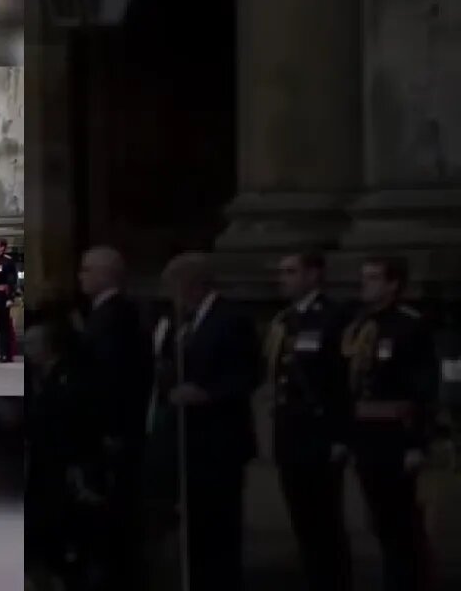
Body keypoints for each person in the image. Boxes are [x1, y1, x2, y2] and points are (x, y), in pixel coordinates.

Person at [158, 252, 260, 591]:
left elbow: (249, 373)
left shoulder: (230, 319)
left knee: (221, 523)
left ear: (192, 284)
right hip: (191, 439)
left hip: (221, 439)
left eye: (174, 286)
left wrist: (209, 393)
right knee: (196, 524)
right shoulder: (182, 321)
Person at [344, 256, 438, 591]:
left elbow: (422, 390)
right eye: (364, 277)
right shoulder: (360, 324)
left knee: (403, 524)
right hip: (367, 435)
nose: (365, 284)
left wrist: (416, 442)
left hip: (396, 436)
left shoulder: (409, 325)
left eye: (373, 278)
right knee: (381, 520)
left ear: (392, 284)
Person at [266, 250, 353, 591]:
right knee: (301, 516)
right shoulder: (284, 320)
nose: (282, 279)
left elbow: (344, 382)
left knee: (326, 519)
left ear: (314, 275)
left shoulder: (334, 317)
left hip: (321, 431)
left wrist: (342, 435)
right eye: (282, 272)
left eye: (290, 271)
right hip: (290, 431)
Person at [77, 246, 152, 590]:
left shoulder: (116, 316)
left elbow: (114, 378)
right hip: (106, 429)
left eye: (87, 269)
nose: (81, 275)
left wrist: (109, 428)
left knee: (116, 511)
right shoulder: (103, 313)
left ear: (107, 274)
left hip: (112, 430)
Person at [26, 291, 104, 589]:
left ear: (49, 348)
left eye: (32, 345)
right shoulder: (43, 377)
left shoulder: (67, 379)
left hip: (62, 465)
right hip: (44, 465)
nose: (28, 351)